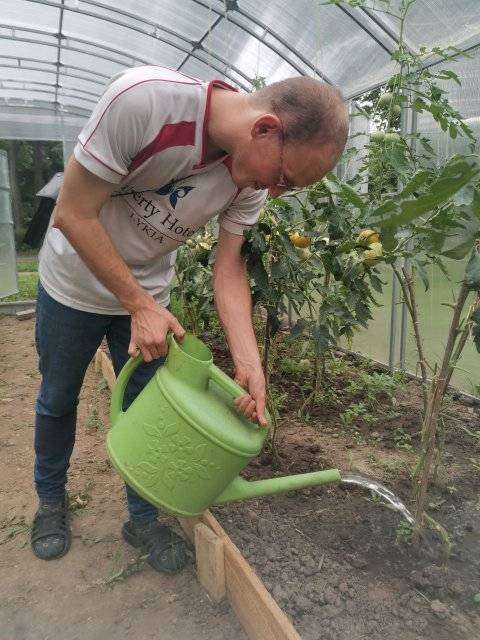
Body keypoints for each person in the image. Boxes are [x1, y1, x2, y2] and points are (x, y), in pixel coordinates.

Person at [30, 65, 348, 573]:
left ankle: (143, 519)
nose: (276, 193)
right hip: (73, 285)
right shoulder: (144, 104)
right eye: (284, 177)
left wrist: (249, 361)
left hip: (149, 297)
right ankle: (50, 501)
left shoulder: (248, 180)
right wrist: (137, 304)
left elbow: (228, 268)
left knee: (146, 406)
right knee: (58, 397)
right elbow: (72, 211)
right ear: (264, 128)